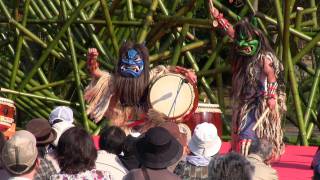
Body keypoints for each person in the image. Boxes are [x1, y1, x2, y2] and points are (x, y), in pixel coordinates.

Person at [209, 3, 286, 158]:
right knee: (239, 132)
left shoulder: (265, 58)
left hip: (260, 101)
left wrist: (271, 97)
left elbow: (272, 77)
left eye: (247, 41)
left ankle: (252, 157)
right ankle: (243, 156)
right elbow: (231, 33)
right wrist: (218, 16)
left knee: (248, 134)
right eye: (240, 42)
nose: (242, 45)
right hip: (245, 99)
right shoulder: (243, 54)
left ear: (257, 39)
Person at [85, 41, 196, 130]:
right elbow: (95, 72)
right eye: (127, 62)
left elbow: (168, 70)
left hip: (147, 129)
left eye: (135, 62)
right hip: (120, 128)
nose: (130, 65)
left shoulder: (150, 78)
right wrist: (92, 60)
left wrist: (185, 73)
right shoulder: (114, 83)